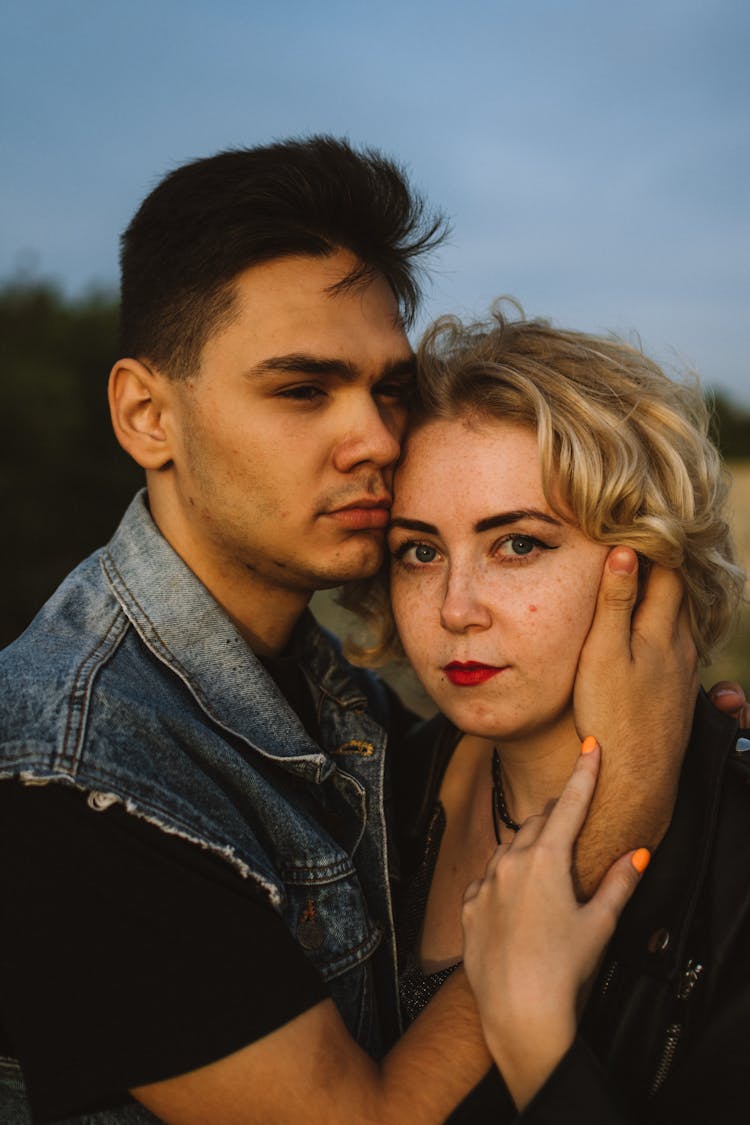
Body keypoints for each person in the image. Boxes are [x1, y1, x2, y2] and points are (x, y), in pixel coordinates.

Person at [0, 140, 741, 1125]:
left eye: (388, 390)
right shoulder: (69, 771)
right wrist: (619, 822)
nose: (377, 441)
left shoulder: (357, 719)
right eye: (302, 390)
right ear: (146, 414)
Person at [356, 305, 749, 1121]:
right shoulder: (371, 788)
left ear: (644, 564)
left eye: (519, 543)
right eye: (420, 551)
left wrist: (540, 1049)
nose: (456, 607)